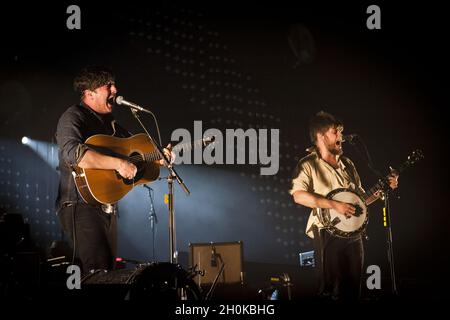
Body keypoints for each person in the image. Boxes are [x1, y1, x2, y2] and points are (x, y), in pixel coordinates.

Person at [55, 66, 171, 274]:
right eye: (108, 85)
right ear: (89, 93)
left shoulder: (112, 125)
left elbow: (137, 153)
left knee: (108, 269)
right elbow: (72, 153)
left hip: (107, 206)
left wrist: (159, 158)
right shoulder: (73, 116)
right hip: (79, 205)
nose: (115, 89)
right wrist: (118, 164)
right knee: (97, 270)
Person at [290, 111, 398, 300]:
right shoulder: (307, 164)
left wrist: (383, 188)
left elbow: (361, 200)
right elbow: (299, 195)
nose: (341, 136)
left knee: (353, 288)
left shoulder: (348, 164)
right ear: (321, 136)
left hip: (354, 235)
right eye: (336, 132)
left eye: (341, 132)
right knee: (331, 290)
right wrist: (334, 204)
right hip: (326, 233)